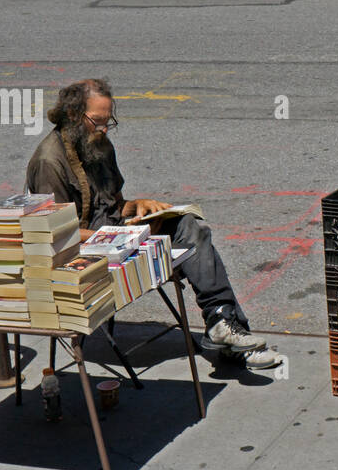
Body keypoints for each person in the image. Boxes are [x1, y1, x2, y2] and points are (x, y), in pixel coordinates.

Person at [25, 78, 282, 370]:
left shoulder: (98, 144)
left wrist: (139, 208)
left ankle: (221, 320)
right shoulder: (50, 162)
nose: (104, 129)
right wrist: (125, 235)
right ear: (72, 115)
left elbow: (115, 204)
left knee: (189, 225)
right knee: (182, 240)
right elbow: (55, 233)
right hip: (83, 251)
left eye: (108, 122)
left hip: (116, 233)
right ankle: (232, 339)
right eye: (96, 121)